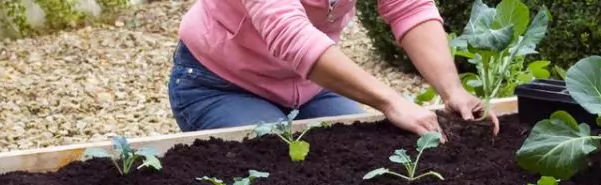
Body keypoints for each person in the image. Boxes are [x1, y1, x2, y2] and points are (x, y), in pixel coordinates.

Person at [167, 0, 499, 139]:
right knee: (273, 167)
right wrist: (391, 101)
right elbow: (288, 33)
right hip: (221, 83)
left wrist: (452, 89)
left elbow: (408, 8)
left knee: (365, 154)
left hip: (310, 83)